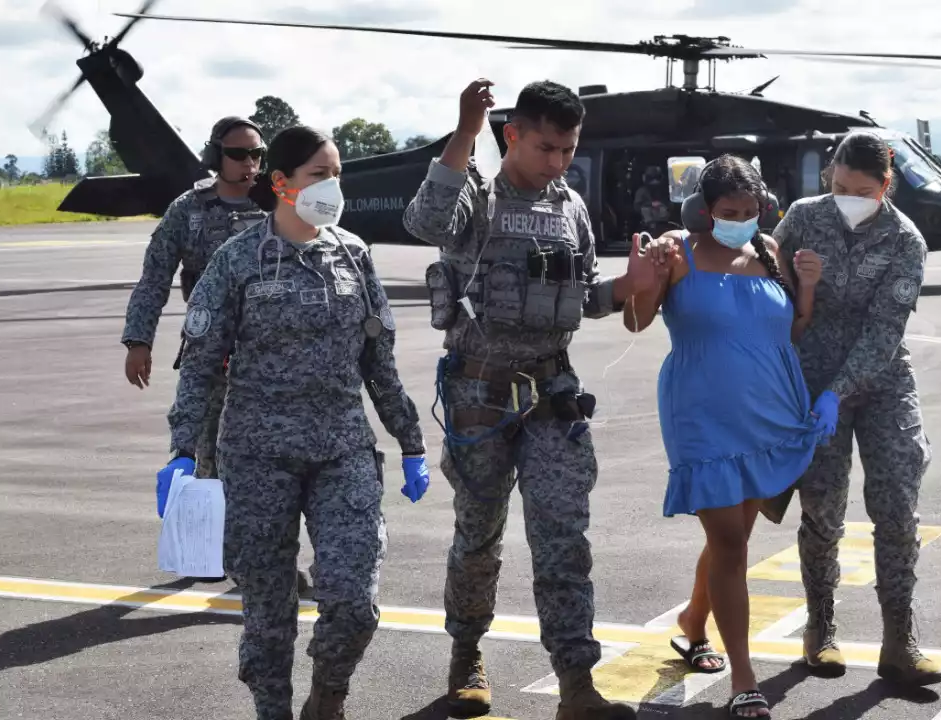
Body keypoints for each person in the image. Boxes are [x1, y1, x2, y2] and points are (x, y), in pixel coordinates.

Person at [402, 78, 661, 720]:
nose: (558, 162)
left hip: (552, 392)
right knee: (478, 537)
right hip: (478, 394)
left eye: (568, 150)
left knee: (564, 539)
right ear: (512, 134)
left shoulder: (569, 206)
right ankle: (466, 656)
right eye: (547, 147)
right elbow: (424, 222)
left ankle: (576, 683)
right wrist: (465, 132)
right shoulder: (475, 199)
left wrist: (629, 284)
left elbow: (584, 297)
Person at [165, 124, 432, 720]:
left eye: (337, 173)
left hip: (342, 449)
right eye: (319, 175)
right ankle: (273, 710)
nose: (333, 186)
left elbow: (378, 361)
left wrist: (410, 440)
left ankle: (328, 697)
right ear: (281, 183)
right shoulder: (237, 260)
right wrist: (184, 449)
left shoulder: (354, 254)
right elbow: (201, 365)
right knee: (268, 611)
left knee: (355, 600)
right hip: (258, 454)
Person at [624, 155, 834, 718]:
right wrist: (644, 275)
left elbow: (788, 329)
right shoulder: (679, 250)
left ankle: (693, 623)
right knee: (730, 542)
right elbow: (637, 321)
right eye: (727, 211)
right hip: (702, 411)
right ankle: (744, 679)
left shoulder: (769, 251)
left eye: (749, 210)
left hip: (770, 410)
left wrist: (806, 290)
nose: (740, 219)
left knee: (733, 538)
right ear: (703, 210)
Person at [770, 130, 941, 687]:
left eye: (862, 190)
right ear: (830, 176)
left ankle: (900, 639)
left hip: (882, 380)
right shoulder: (801, 217)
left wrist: (837, 390)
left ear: (885, 186)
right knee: (821, 509)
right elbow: (770, 289)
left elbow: (884, 332)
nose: (848, 196)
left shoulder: (905, 241)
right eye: (840, 185)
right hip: (811, 378)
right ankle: (820, 629)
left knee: (896, 507)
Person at [120, 115, 278, 584]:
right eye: (238, 154)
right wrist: (138, 340)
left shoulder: (278, 205)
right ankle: (211, 551)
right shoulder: (188, 210)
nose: (250, 163)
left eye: (257, 155)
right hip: (212, 350)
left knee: (276, 459)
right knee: (206, 453)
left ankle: (273, 560)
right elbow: (154, 278)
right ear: (214, 156)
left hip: (274, 353)